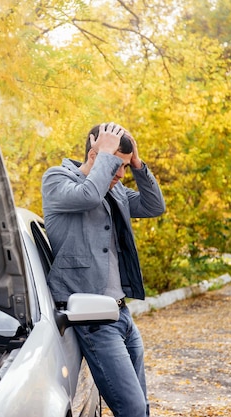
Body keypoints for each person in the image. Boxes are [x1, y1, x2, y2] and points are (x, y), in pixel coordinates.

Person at [41, 122, 165, 417]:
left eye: (124, 168)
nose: (121, 175)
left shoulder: (115, 188)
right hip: (93, 318)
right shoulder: (57, 180)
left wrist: (137, 164)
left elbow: (154, 206)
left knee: (141, 406)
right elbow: (87, 196)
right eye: (116, 166)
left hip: (121, 313)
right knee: (132, 409)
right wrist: (106, 155)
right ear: (96, 155)